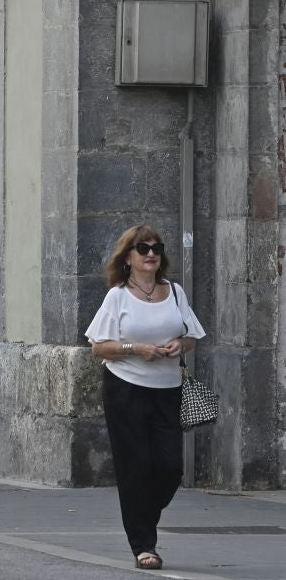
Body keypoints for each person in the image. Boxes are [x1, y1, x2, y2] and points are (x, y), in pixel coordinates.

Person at [85, 224, 206, 570]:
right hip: (126, 390)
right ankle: (143, 545)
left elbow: (192, 337)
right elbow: (99, 347)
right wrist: (134, 348)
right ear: (128, 258)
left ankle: (143, 518)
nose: (151, 253)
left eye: (156, 248)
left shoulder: (175, 292)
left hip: (168, 391)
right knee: (135, 468)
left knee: (170, 468)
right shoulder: (118, 296)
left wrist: (178, 345)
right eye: (143, 248)